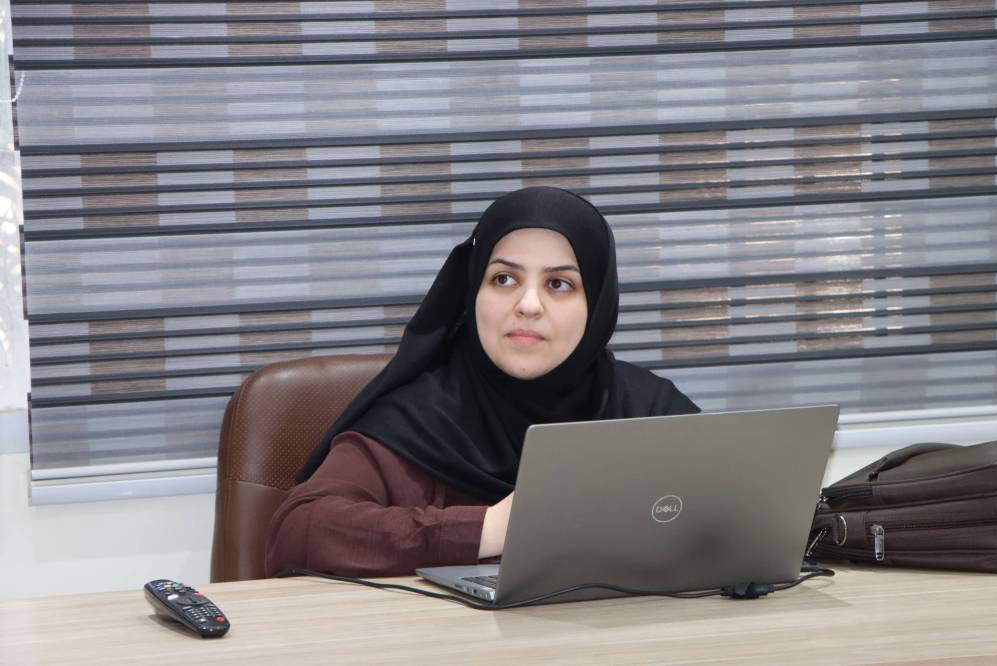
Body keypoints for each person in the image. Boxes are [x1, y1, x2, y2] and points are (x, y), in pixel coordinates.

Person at [265, 186, 699, 578]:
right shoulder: (416, 419)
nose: (529, 305)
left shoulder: (649, 411)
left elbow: (728, 518)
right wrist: (491, 528)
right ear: (473, 290)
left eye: (559, 284)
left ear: (597, 304)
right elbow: (300, 531)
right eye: (504, 279)